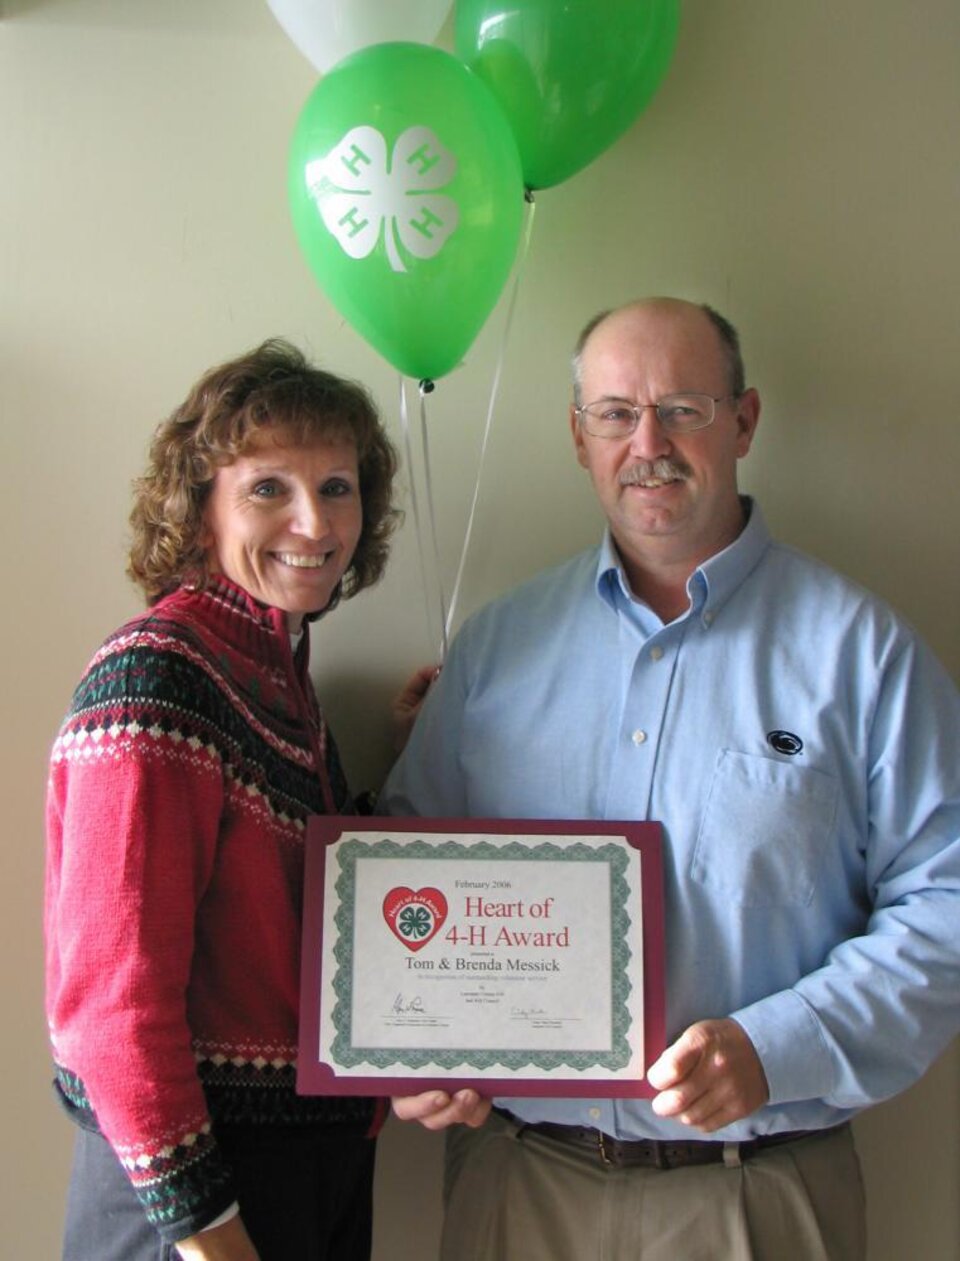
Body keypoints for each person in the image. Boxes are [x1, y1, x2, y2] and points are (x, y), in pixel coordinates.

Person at [382, 298, 960, 1260]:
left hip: (755, 1195)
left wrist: (777, 1047)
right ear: (578, 436)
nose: (647, 442)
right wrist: (413, 1047)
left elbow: (947, 904)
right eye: (614, 413)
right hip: (517, 1185)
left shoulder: (863, 653)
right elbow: (409, 872)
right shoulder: (494, 650)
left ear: (744, 420)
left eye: (683, 408)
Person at [45, 340, 403, 1261]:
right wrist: (210, 1232)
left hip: (303, 1172)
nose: (314, 522)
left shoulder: (278, 677)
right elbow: (111, 1012)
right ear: (199, 507)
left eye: (336, 486)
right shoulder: (160, 675)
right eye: (268, 488)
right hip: (201, 1201)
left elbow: (286, 930)